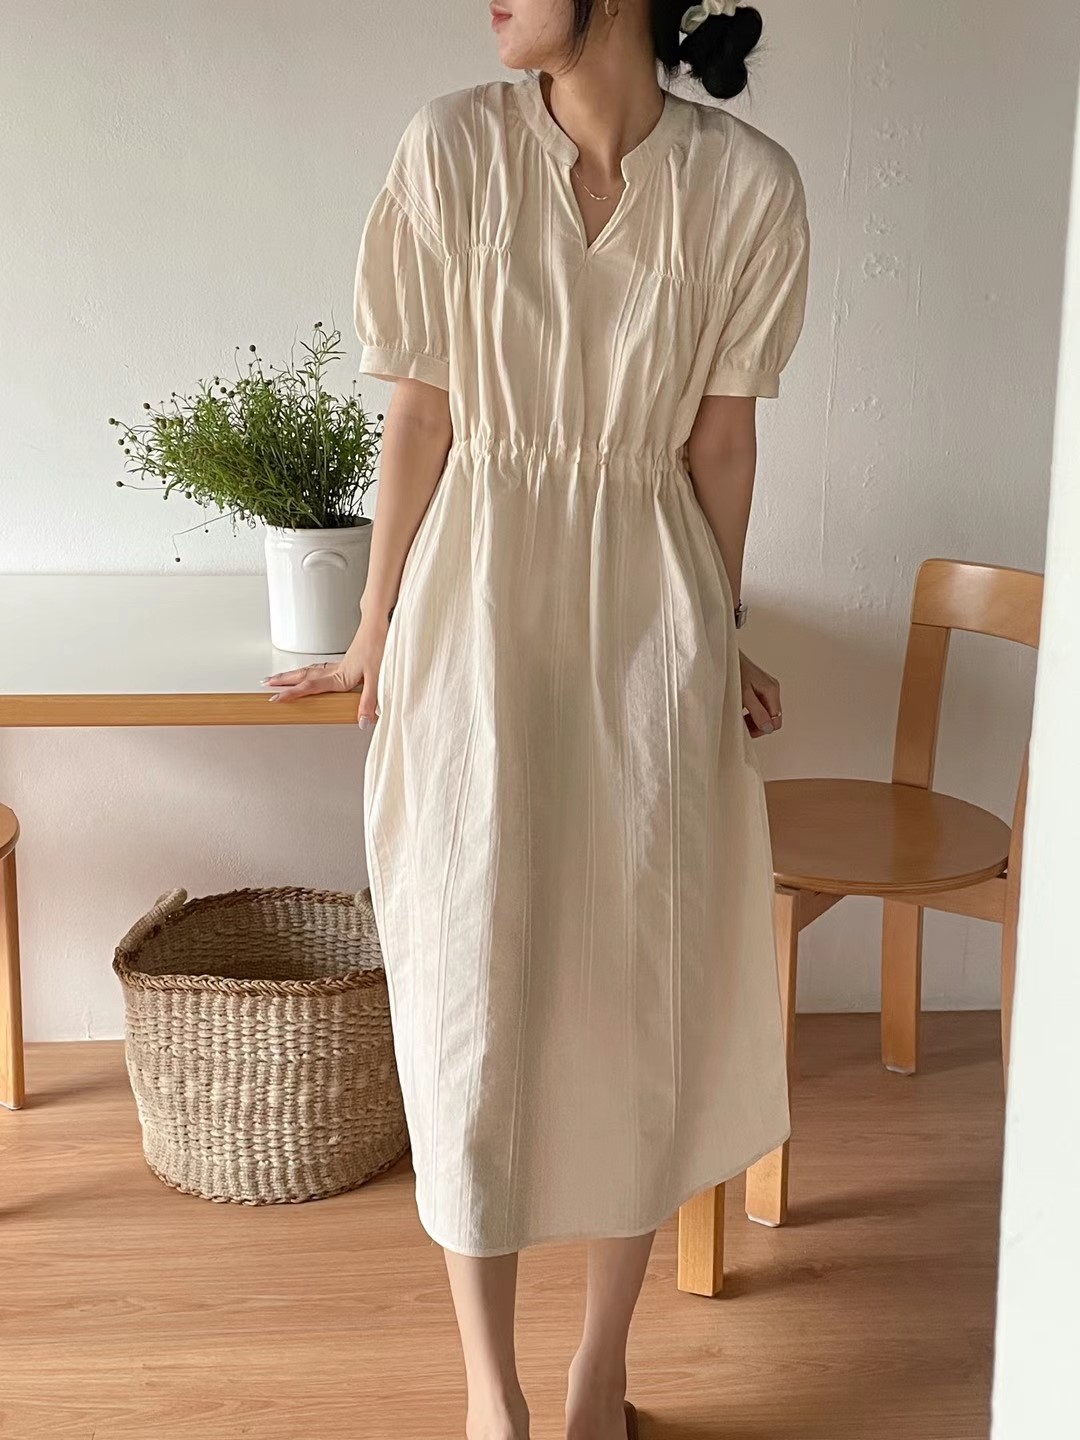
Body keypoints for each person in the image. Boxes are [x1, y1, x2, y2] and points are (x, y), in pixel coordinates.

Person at [263, 2, 810, 1436]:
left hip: (652, 613)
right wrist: (374, 629)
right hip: (475, 604)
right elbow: (420, 418)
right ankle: (490, 1392)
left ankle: (597, 1374)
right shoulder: (451, 149)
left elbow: (724, 445)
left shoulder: (748, 185)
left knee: (637, 990)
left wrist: (717, 637)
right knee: (471, 990)